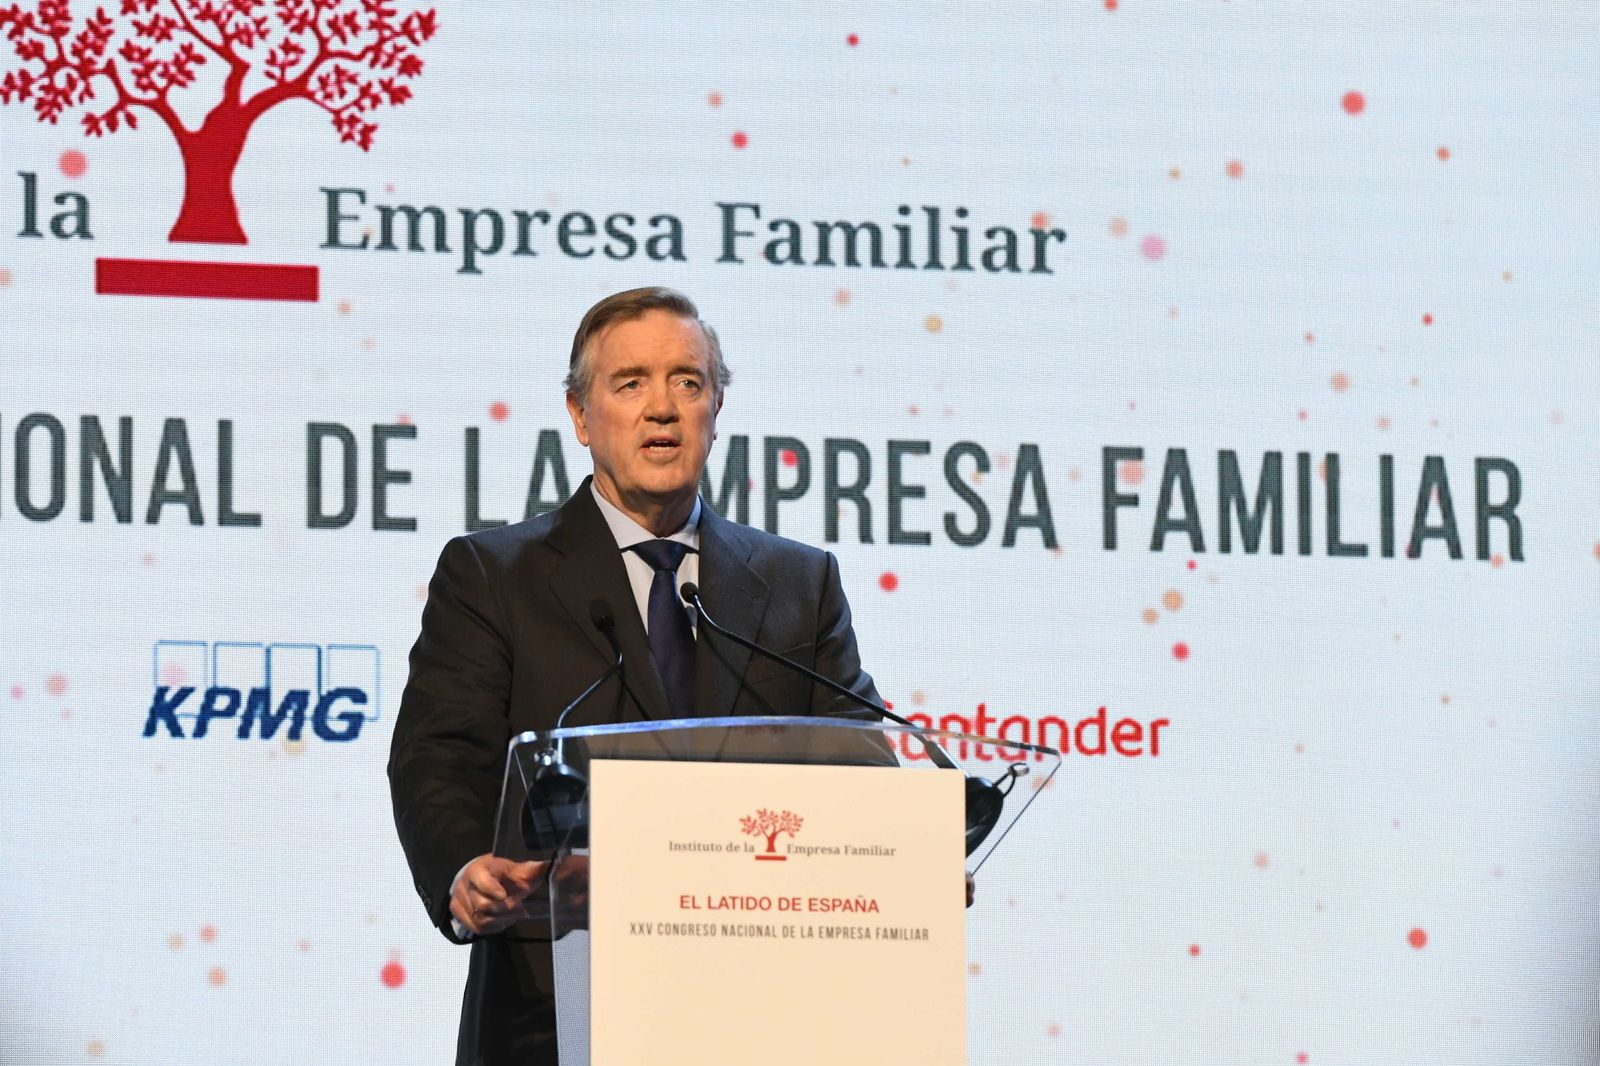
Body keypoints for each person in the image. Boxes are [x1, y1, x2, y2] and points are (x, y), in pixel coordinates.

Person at [388, 286, 885, 1066]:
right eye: (630, 383)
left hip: (760, 1004)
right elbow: (439, 756)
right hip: (555, 1004)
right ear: (581, 416)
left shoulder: (798, 584)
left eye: (688, 382)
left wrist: (909, 861)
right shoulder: (494, 575)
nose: (662, 408)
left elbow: (859, 761)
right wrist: (465, 868)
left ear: (716, 409)